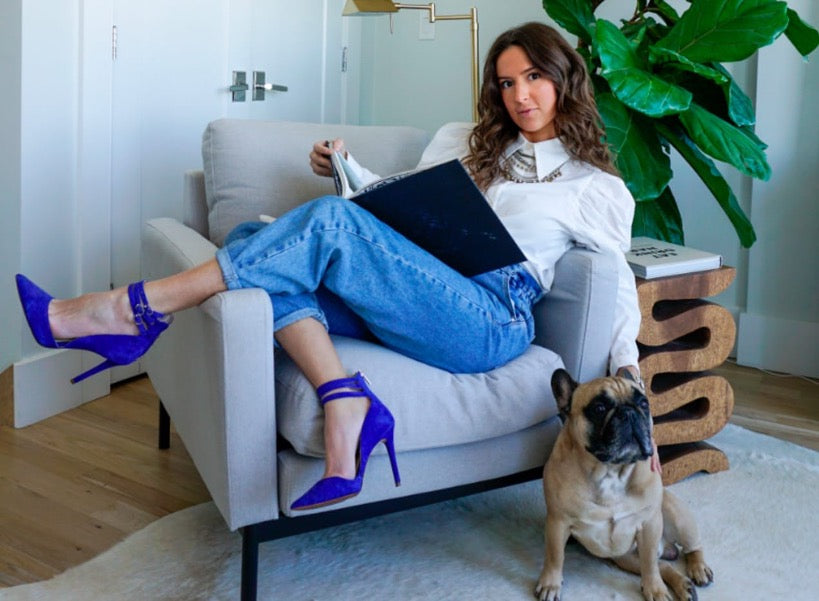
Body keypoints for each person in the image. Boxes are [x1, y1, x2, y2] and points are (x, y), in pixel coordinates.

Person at [15, 22, 652, 513]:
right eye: (507, 83)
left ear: (564, 79)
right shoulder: (468, 140)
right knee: (252, 239)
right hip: (420, 285)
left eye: (534, 77)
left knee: (320, 228)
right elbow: (400, 199)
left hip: (489, 317)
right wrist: (344, 169)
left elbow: (616, 279)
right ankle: (343, 398)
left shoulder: (594, 187)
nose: (520, 95)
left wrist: (629, 367)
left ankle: (127, 309)